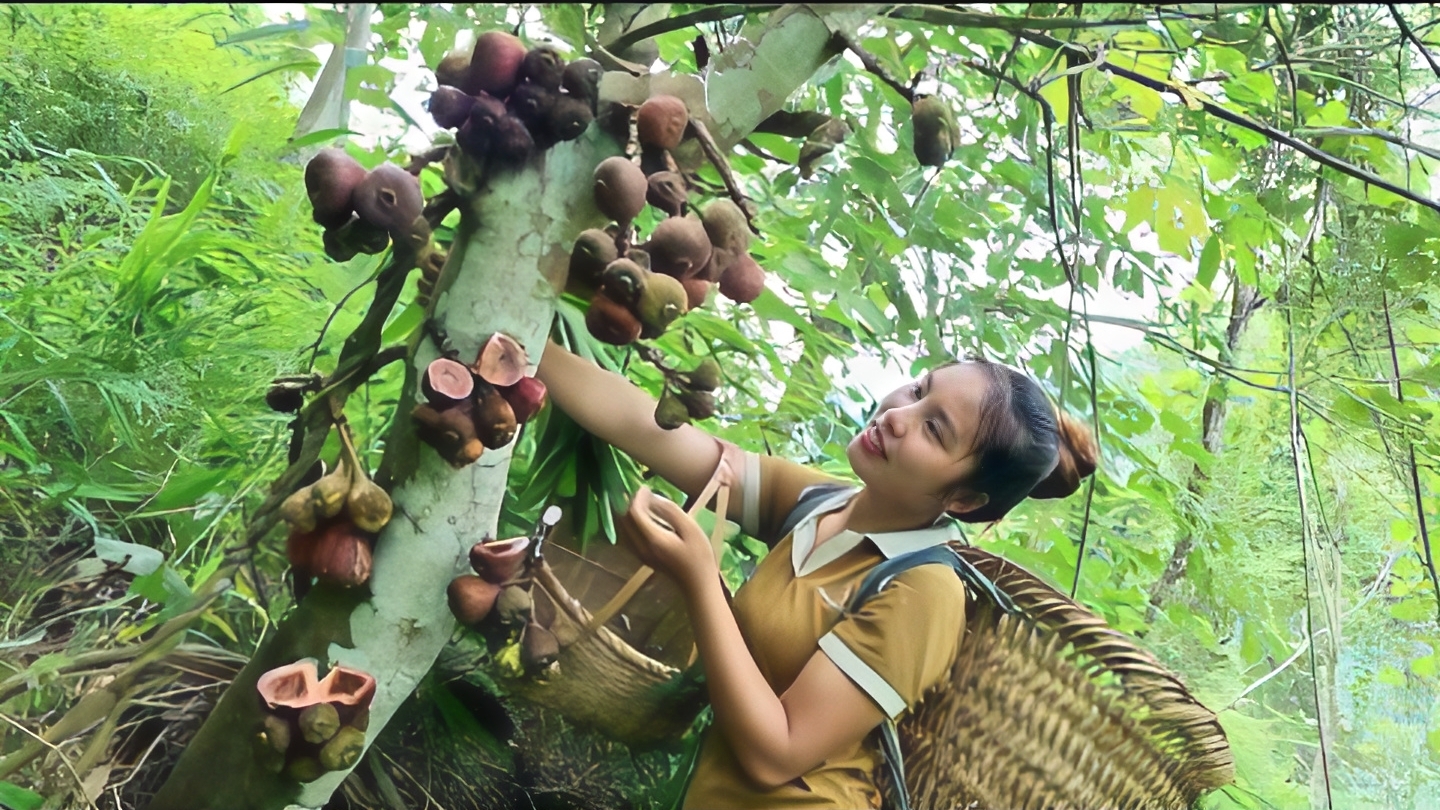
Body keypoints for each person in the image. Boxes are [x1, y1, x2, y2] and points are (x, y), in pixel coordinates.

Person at [535, 339, 1098, 809]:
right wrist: (526, 338)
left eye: (934, 430)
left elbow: (776, 752)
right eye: (920, 388)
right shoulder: (819, 504)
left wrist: (701, 579)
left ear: (966, 499)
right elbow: (657, 432)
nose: (897, 415)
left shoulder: (922, 589)